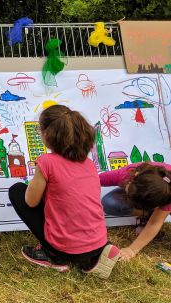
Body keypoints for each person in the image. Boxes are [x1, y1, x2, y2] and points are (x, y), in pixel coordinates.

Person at [8, 105, 119, 279]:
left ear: (46, 134)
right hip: (97, 241)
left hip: (65, 247)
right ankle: (93, 260)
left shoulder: (46, 162)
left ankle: (54, 256)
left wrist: (35, 185)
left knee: (16, 191)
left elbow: (30, 202)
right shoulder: (88, 163)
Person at [100, 162, 171, 260]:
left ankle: (152, 213)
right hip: (152, 191)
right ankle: (148, 214)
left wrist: (132, 250)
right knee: (109, 202)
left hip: (163, 196)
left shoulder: (167, 193)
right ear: (134, 177)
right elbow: (93, 180)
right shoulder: (125, 174)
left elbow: (155, 223)